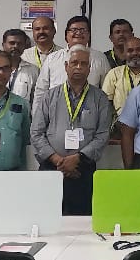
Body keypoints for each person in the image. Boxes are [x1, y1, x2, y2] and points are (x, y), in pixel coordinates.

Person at [32, 46, 114, 214]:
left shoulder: (100, 98)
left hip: (83, 169)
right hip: (52, 168)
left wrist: (78, 158)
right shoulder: (49, 96)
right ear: (66, 66)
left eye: (83, 64)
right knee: (48, 217)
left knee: (82, 221)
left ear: (89, 68)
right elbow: (36, 132)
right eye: (74, 63)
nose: (78, 67)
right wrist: (58, 161)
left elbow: (102, 135)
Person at [33, 16, 111, 109]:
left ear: (89, 35)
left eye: (82, 30)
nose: (78, 33)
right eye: (74, 30)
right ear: (66, 35)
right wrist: (37, 115)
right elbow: (41, 92)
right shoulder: (52, 58)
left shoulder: (100, 58)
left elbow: (107, 91)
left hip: (90, 113)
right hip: (55, 112)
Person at [102, 36, 140, 119]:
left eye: (139, 50)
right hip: (121, 122)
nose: (135, 53)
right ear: (124, 54)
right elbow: (106, 102)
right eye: (130, 50)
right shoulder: (114, 73)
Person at [0, 28, 38, 105]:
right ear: (3, 45)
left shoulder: (33, 70)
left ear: (24, 46)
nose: (15, 46)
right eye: (12, 43)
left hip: (21, 112)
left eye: (20, 44)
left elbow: (36, 100)